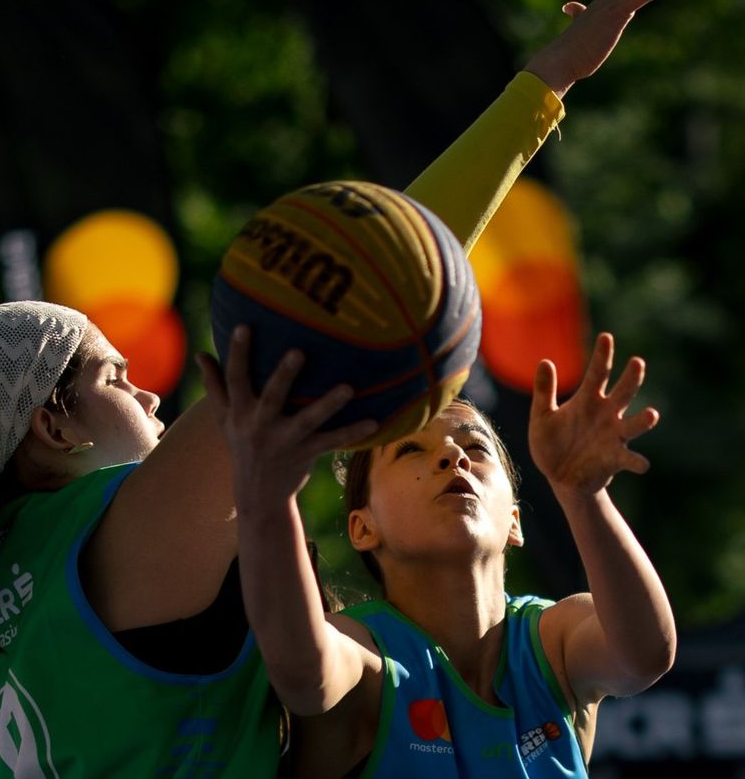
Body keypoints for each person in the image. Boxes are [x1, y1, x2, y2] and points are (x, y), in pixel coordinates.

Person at [0, 0, 678, 775]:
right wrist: (544, 87)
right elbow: (377, 278)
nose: (149, 393)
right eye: (111, 374)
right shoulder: (127, 531)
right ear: (54, 429)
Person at [197, 329, 676, 777]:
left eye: (476, 446)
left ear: (514, 520)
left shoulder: (554, 643)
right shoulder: (366, 655)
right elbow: (303, 673)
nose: (454, 456)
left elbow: (643, 656)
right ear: (363, 527)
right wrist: (272, 495)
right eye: (409, 451)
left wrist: (582, 493)